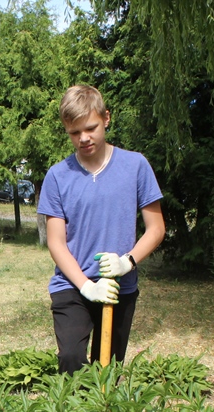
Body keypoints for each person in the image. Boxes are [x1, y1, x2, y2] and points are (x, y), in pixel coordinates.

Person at [37, 84, 166, 373]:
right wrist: (86, 286)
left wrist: (126, 262)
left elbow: (156, 229)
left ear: (106, 118)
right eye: (74, 132)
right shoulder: (58, 176)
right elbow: (56, 243)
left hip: (120, 287)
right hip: (72, 286)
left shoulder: (135, 166)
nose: (84, 138)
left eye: (91, 128)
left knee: (107, 371)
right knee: (71, 359)